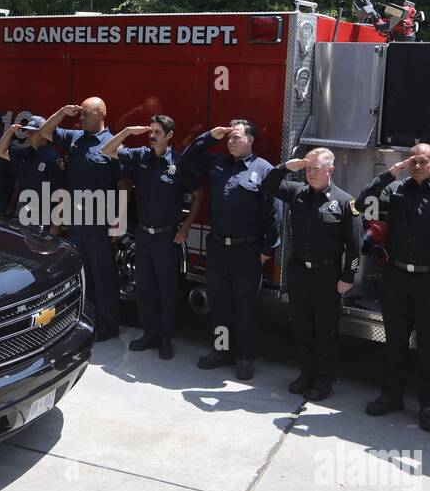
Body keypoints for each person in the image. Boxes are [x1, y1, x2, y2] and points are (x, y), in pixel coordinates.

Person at [357, 143, 430, 431]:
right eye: (412, 161)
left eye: (423, 161)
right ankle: (391, 395)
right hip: (395, 278)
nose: (417, 166)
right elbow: (362, 202)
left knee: (429, 347)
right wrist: (388, 175)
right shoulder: (395, 191)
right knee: (394, 342)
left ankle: (429, 404)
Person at [180, 121, 280, 381]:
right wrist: (209, 137)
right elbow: (186, 158)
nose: (230, 141)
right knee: (221, 305)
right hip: (218, 248)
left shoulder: (264, 170)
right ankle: (221, 350)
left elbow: (274, 212)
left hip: (247, 251)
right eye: (229, 138)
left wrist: (268, 249)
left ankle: (245, 358)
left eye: (236, 137)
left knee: (246, 308)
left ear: (250, 139)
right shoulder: (217, 163)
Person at [100, 116, 205, 360]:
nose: (152, 135)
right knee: (145, 289)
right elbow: (106, 150)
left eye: (158, 132)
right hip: (143, 235)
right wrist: (126, 130)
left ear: (169, 135)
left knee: (167, 291)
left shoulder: (179, 163)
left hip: (167, 237)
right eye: (151, 131)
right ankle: (149, 334)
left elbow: (199, 194)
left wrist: (186, 227)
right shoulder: (140, 156)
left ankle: (166, 338)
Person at [262, 148, 361, 402]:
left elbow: (354, 245)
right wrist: (287, 167)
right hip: (298, 272)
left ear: (330, 170)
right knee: (302, 327)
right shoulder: (298, 193)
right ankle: (306, 375)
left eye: (315, 169)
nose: (310, 173)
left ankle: (324, 380)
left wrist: (348, 277)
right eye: (307, 169)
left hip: (327, 275)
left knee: (325, 332)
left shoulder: (344, 201)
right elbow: (269, 184)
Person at [40, 99, 122, 341]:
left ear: (101, 115)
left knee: (103, 274)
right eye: (81, 113)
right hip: (77, 220)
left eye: (86, 114)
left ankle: (110, 324)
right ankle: (88, 319)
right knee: (83, 273)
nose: (81, 118)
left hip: (99, 221)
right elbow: (45, 131)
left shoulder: (112, 143)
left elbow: (124, 184)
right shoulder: (74, 137)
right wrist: (61, 112)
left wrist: (119, 222)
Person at [0, 115, 67, 232]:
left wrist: (56, 225)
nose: (28, 134)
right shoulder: (26, 153)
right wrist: (10, 131)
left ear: (43, 133)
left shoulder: (52, 158)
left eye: (32, 131)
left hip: (45, 219)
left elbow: (62, 195)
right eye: (28, 130)